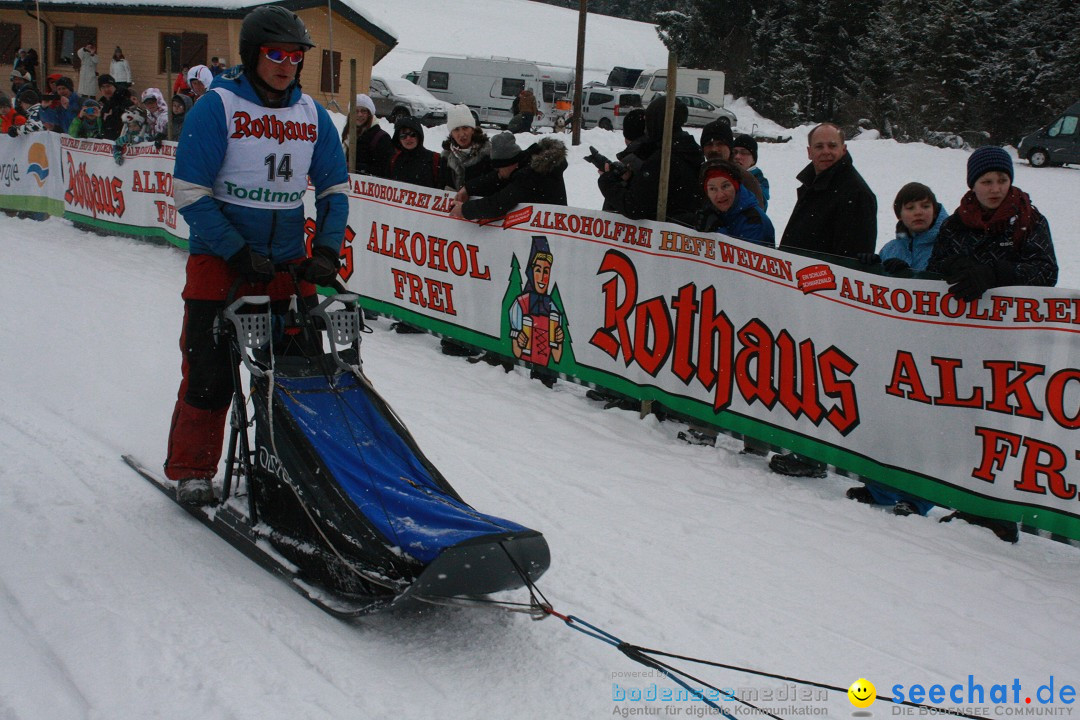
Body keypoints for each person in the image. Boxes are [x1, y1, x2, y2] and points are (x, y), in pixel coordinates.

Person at [166, 5, 349, 505]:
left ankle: (294, 468)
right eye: (275, 53)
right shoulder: (218, 106)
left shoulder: (312, 114)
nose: (286, 63)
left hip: (286, 264)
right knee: (209, 372)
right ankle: (192, 469)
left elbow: (335, 188)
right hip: (220, 260)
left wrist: (328, 249)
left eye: (295, 55)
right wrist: (235, 250)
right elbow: (189, 192)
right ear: (252, 54)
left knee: (303, 372)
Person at [770, 122, 877, 479]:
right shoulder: (815, 185)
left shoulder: (855, 193)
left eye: (833, 145)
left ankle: (813, 453)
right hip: (802, 293)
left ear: (844, 149)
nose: (826, 151)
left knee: (821, 376)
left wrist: (821, 291)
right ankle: (802, 445)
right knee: (800, 370)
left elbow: (850, 260)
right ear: (809, 151)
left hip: (825, 299)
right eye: (820, 146)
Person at [846, 182, 949, 516]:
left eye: (923, 206)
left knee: (924, 423)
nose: (917, 213)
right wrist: (872, 266)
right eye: (910, 208)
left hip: (934, 346)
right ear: (900, 214)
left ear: (934, 208)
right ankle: (881, 488)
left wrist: (919, 277)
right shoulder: (893, 247)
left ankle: (918, 497)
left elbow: (948, 283)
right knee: (889, 417)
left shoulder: (948, 243)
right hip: (896, 346)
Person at [927, 146, 1057, 298]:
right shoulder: (953, 224)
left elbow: (1047, 273)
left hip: (1013, 316)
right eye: (986, 182)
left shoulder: (1030, 221)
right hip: (961, 315)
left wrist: (996, 273)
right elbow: (933, 268)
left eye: (1002, 180)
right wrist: (952, 265)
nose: (996, 189)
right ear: (973, 185)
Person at [598, 96, 704, 226]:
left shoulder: (663, 157)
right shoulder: (689, 148)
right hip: (685, 230)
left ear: (657, 122)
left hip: (666, 233)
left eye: (649, 121)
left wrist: (607, 182)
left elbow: (635, 207)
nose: (646, 128)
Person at [450, 132, 567, 221]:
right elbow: (495, 178)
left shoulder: (530, 176)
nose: (498, 172)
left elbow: (498, 204)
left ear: (509, 164)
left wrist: (464, 210)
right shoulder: (524, 162)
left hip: (551, 233)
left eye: (499, 169)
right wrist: (467, 188)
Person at [695, 158, 774, 247]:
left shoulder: (753, 220)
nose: (720, 195)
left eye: (725, 186)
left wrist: (717, 232)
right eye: (712, 189)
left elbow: (744, 258)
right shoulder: (709, 211)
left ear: (736, 186)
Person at [437, 104, 492, 191]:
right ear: (451, 134)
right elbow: (441, 185)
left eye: (465, 128)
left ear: (473, 129)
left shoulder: (488, 153)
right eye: (456, 130)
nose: (462, 134)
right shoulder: (446, 157)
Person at [341, 93, 393, 176]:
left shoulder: (381, 138)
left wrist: (354, 167)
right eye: (356, 111)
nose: (359, 114)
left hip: (368, 186)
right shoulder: (347, 134)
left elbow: (382, 170)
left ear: (370, 113)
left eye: (364, 111)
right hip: (348, 184)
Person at [388, 116, 441, 188]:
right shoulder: (394, 160)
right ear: (398, 139)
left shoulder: (435, 160)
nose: (408, 139)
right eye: (403, 136)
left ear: (418, 135)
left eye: (412, 134)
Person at [732, 134, 769, 211]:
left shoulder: (760, 180)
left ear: (753, 160)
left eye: (744, 152)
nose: (737, 156)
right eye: (734, 152)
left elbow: (761, 204)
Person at [97, 74, 133, 140]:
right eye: (103, 87)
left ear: (114, 86)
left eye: (108, 86)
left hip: (120, 141)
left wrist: (111, 117)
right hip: (105, 143)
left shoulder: (124, 101)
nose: (106, 89)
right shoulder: (101, 104)